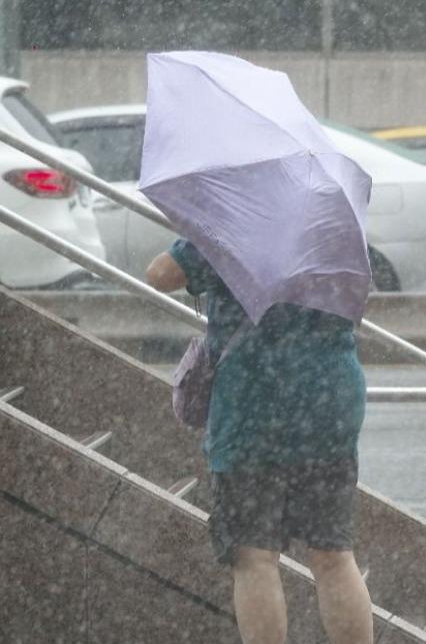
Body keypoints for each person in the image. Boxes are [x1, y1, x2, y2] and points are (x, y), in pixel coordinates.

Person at [147, 239, 373, 644]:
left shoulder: (237, 221)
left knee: (254, 557)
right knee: (333, 554)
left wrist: (200, 235)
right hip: (328, 402)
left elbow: (160, 273)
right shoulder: (334, 224)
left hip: (255, 408)